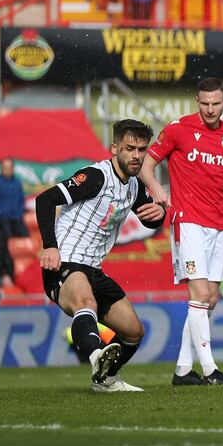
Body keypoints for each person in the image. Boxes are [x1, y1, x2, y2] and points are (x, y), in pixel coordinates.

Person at [140, 77, 223, 386]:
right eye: (204, 103)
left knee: (211, 298)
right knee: (200, 294)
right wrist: (157, 191)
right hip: (188, 220)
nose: (209, 109)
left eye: (215, 103)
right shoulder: (179, 129)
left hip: (219, 224)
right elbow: (145, 165)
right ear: (197, 101)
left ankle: (182, 370)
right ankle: (210, 369)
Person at [36, 120, 165, 392]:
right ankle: (96, 358)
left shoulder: (133, 186)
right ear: (114, 148)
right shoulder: (96, 177)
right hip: (65, 261)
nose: (136, 155)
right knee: (86, 302)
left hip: (93, 268)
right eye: (130, 148)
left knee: (133, 332)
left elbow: (149, 218)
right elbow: (45, 200)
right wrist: (50, 246)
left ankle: (105, 380)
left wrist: (160, 216)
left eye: (142, 149)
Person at [0, 158, 28, 238]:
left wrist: (19, 213)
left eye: (10, 167)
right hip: (1, 219)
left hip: (16, 219)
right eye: (5, 167)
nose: (7, 170)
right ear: (1, 168)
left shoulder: (17, 183)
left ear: (12, 168)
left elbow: (21, 201)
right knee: (7, 238)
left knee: (25, 237)